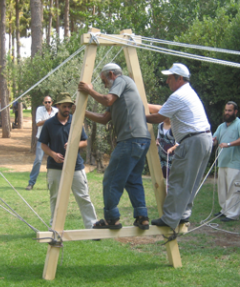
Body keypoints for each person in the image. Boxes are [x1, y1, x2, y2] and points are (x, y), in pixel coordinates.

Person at [78, 63, 152, 230]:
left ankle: (112, 219)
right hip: (141, 139)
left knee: (111, 180)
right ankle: (142, 217)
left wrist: (89, 90)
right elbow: (105, 118)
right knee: (133, 180)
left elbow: (108, 99)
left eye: (104, 81)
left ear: (111, 74)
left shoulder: (122, 80)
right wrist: (81, 112)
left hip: (130, 139)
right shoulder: (119, 92)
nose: (104, 85)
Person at [146, 63, 212, 240]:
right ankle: (183, 214)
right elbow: (163, 110)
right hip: (204, 139)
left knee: (177, 179)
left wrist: (138, 115)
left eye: (170, 77)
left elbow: (159, 117)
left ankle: (169, 219)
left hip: (192, 141)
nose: (167, 81)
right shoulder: (187, 93)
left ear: (180, 78)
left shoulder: (179, 95)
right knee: (191, 180)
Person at [39, 92, 98, 228]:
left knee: (83, 196)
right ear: (57, 106)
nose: (67, 109)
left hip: (75, 166)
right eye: (64, 106)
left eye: (69, 106)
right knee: (55, 198)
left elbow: (84, 141)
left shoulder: (76, 121)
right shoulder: (49, 124)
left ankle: (92, 225)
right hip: (55, 166)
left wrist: (74, 144)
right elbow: (43, 144)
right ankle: (55, 227)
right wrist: (53, 154)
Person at [212, 101, 240, 222]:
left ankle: (232, 214)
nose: (227, 113)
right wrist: (211, 141)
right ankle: (224, 210)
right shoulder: (221, 126)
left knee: (234, 188)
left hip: (236, 163)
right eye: (226, 110)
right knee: (222, 189)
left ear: (235, 112)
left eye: (230, 110)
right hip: (223, 162)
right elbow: (215, 139)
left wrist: (229, 144)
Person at [25, 96, 58, 190]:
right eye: (46, 102)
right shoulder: (40, 109)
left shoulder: (56, 111)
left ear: (52, 102)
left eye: (49, 102)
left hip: (53, 140)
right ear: (43, 103)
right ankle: (31, 183)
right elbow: (38, 123)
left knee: (53, 161)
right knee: (38, 160)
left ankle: (51, 183)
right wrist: (51, 120)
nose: (47, 104)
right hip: (42, 139)